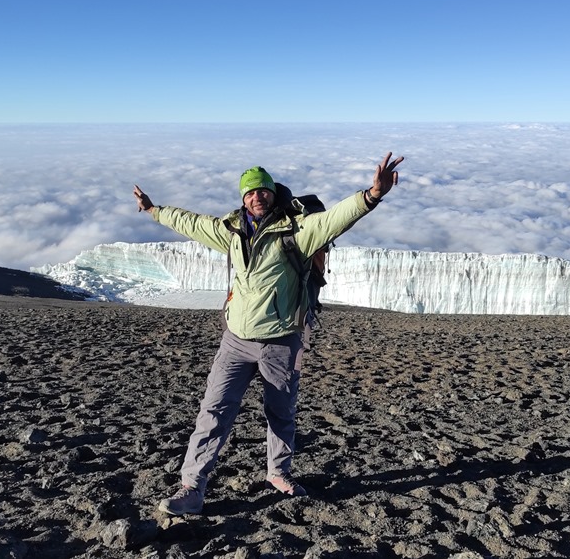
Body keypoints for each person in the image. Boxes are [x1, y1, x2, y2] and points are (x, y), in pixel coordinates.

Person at [132, 152, 404, 516]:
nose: (256, 197)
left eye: (263, 191)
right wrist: (154, 210)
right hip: (235, 341)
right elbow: (191, 223)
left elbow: (334, 220)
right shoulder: (230, 231)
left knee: (280, 413)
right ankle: (192, 487)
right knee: (213, 412)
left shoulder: (297, 231)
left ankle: (278, 473)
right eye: (250, 193)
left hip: (280, 342)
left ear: (273, 194)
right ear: (242, 199)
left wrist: (371, 196)